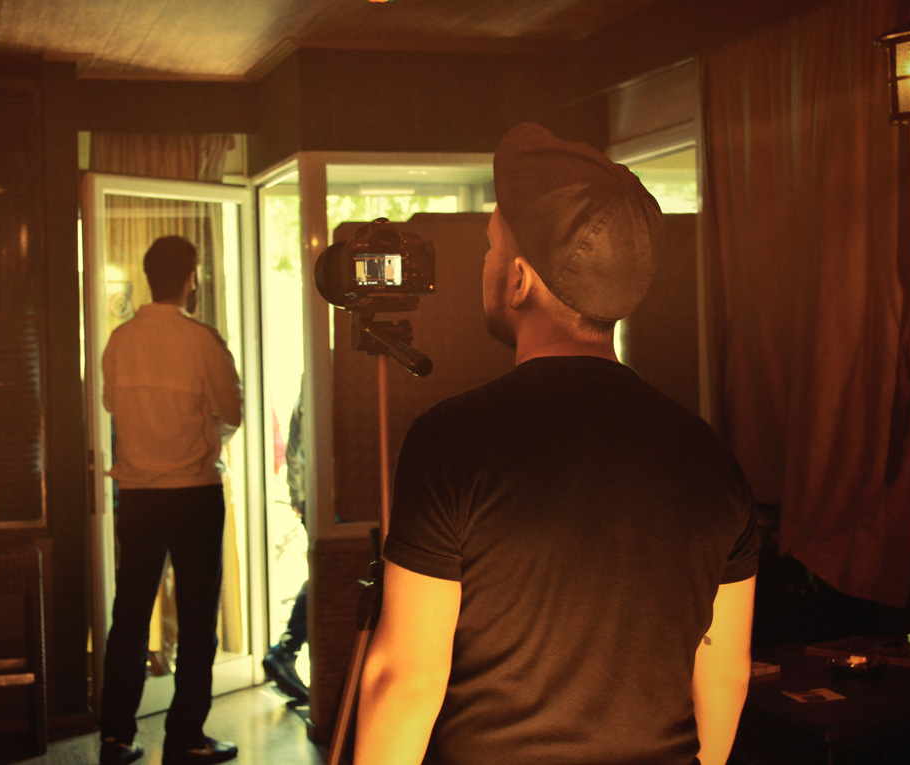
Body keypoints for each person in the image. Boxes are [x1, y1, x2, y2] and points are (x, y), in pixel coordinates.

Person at [355, 123, 758, 765]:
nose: (484, 263)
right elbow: (726, 676)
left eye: (491, 247)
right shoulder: (711, 459)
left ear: (519, 280)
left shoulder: (452, 443)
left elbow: (405, 682)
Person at [99, 236, 243, 765]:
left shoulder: (120, 341)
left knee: (131, 614)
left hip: (138, 495)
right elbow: (233, 412)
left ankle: (115, 736)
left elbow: (111, 404)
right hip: (194, 494)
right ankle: (185, 737)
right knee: (198, 617)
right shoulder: (202, 341)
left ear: (148, 277)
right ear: (191, 279)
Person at [262, 382, 312, 702]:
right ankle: (285, 649)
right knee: (325, 576)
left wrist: (298, 494)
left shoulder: (313, 381)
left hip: (310, 495)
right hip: (319, 496)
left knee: (322, 576)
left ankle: (286, 649)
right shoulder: (323, 376)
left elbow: (295, 445)